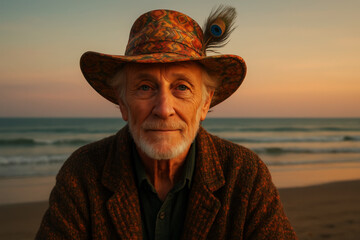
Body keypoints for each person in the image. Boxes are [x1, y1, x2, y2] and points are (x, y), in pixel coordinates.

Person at [36, 6, 297, 240]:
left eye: (182, 87)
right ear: (123, 103)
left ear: (205, 103)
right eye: (145, 87)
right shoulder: (82, 174)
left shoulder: (245, 175)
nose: (163, 109)